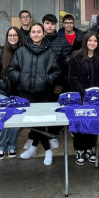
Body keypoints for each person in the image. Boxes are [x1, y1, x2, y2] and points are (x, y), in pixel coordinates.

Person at [8, 23, 61, 166]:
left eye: (39, 32)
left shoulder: (50, 53)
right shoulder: (21, 51)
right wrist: (21, 78)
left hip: (43, 93)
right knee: (33, 121)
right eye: (34, 32)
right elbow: (12, 69)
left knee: (41, 121)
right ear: (30, 34)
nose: (36, 34)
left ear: (43, 34)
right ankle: (36, 148)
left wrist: (46, 80)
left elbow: (57, 71)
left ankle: (45, 150)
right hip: (26, 92)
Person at [68, 30, 99, 165]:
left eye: (95, 41)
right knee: (81, 122)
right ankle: (80, 149)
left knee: (93, 123)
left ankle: (90, 148)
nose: (92, 43)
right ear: (85, 42)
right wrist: (84, 94)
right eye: (90, 40)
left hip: (97, 99)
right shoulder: (76, 57)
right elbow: (72, 79)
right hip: (81, 98)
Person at [0, 26, 22, 159]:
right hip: (4, 92)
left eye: (15, 35)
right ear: (7, 37)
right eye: (10, 35)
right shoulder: (0, 52)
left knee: (15, 120)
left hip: (19, 92)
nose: (12, 37)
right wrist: (4, 85)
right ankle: (1, 146)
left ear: (19, 37)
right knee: (3, 120)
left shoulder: (23, 51)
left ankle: (12, 145)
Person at [40, 13, 71, 149]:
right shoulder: (37, 39)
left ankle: (53, 135)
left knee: (55, 110)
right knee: (39, 111)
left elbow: (67, 65)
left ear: (56, 25)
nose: (50, 26)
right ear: (43, 24)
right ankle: (35, 136)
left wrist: (61, 84)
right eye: (47, 23)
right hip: (38, 83)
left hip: (55, 84)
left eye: (52, 24)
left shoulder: (62, 41)